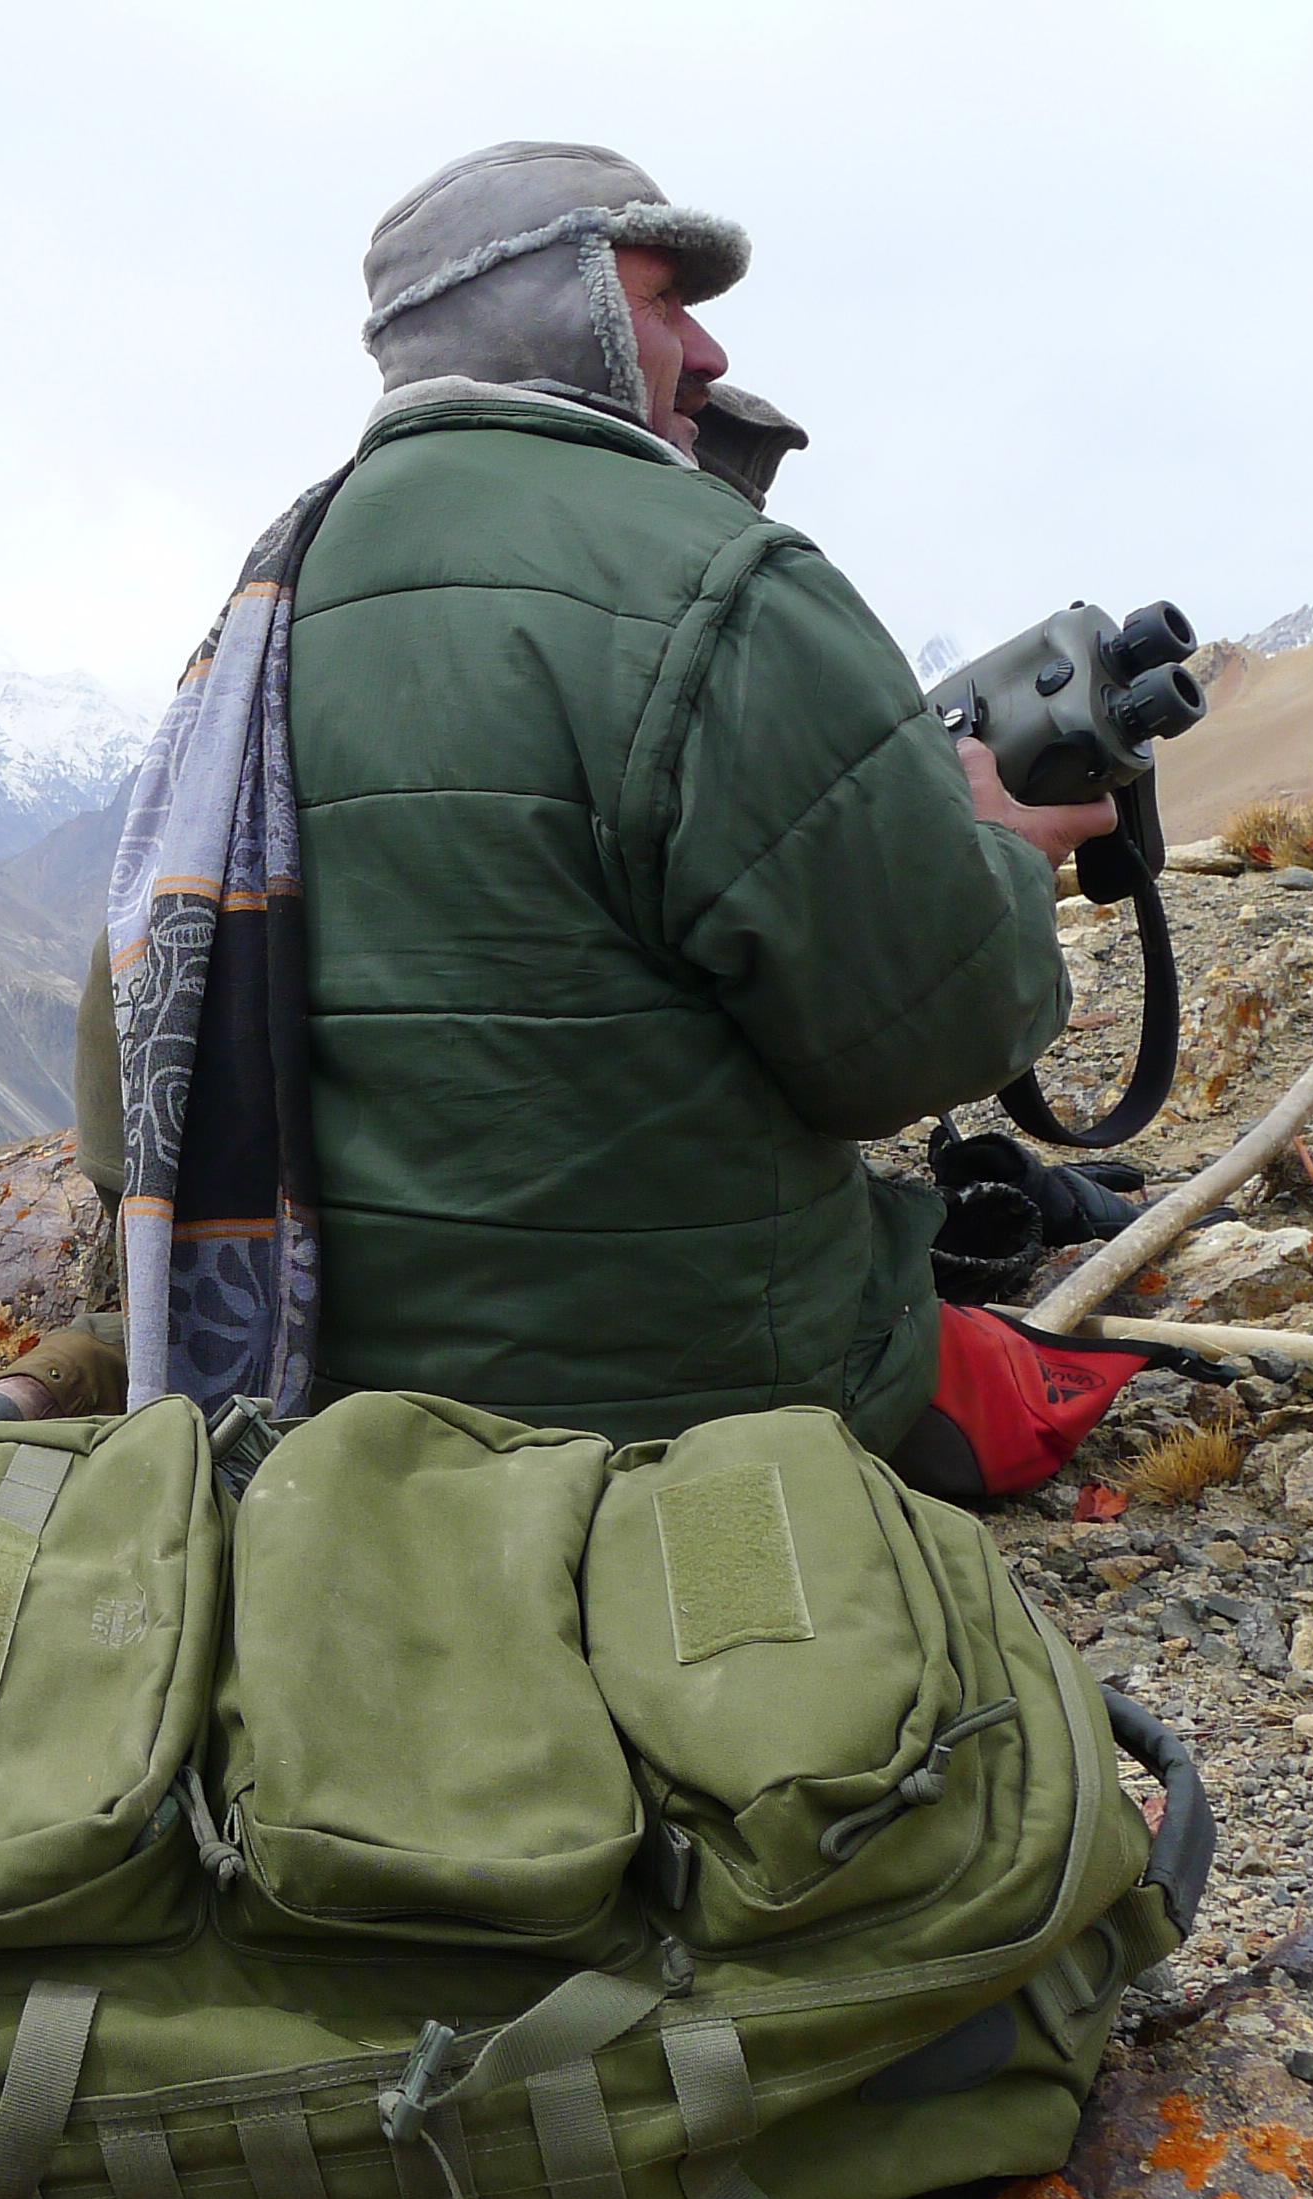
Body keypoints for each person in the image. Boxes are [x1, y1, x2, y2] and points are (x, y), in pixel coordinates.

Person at [107, 141, 1116, 1473]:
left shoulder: (251, 627)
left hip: (320, 1433)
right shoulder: (723, 586)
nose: (704, 353)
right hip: (714, 1413)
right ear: (554, 313)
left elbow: (123, 1079)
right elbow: (928, 1042)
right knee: (1066, 1383)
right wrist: (997, 851)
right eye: (660, 303)